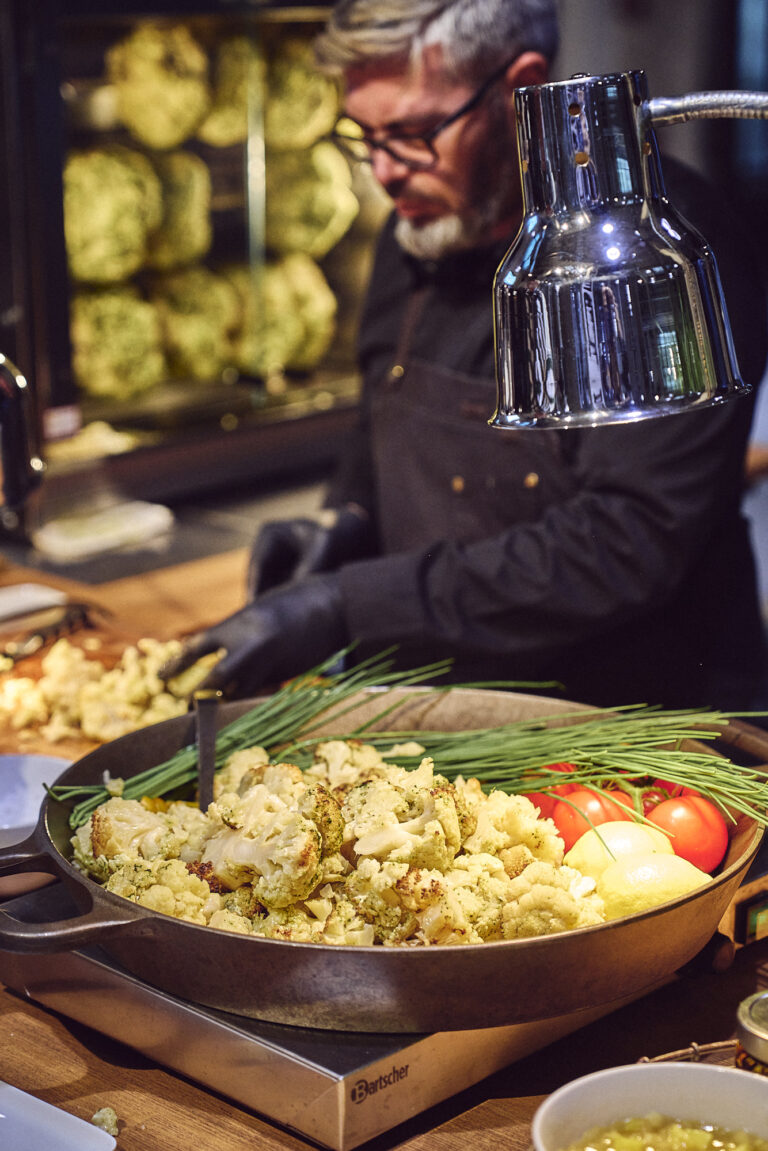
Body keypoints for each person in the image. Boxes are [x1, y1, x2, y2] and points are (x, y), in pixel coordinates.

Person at [164, 0, 768, 710]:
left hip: (634, 719)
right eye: (366, 136)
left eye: (415, 133)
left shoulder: (644, 249)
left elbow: (627, 540)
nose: (385, 172)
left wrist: (347, 606)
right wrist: (345, 521)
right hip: (449, 707)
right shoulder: (421, 225)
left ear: (521, 86)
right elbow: (382, 415)